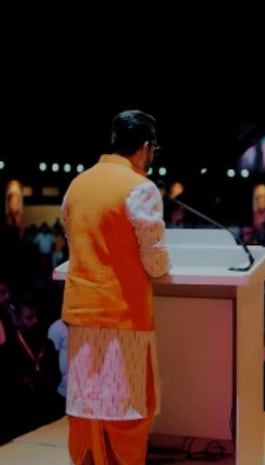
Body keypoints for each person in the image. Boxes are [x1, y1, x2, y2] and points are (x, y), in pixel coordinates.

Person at [61, 110, 171, 465]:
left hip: (80, 312)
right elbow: (155, 264)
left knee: (86, 409)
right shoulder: (140, 187)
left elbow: (73, 239)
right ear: (145, 147)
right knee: (125, 412)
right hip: (122, 316)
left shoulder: (77, 184)